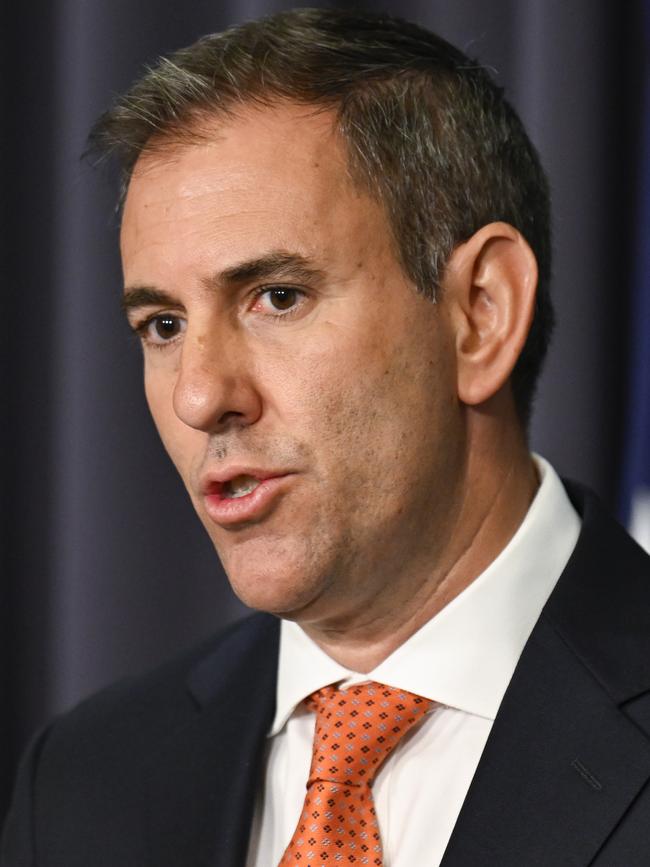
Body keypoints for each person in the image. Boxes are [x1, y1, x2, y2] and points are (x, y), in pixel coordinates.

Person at [3, 8, 650, 866]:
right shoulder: (84, 780)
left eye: (276, 296)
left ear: (480, 315)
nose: (200, 395)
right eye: (162, 324)